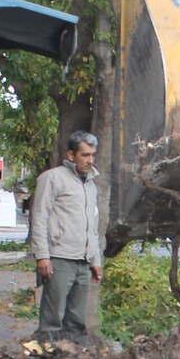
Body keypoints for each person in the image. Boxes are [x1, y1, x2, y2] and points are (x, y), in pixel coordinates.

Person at [30, 131, 102, 340]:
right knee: (52, 321)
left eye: (92, 155)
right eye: (85, 155)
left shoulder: (90, 185)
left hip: (83, 262)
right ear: (71, 155)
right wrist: (42, 256)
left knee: (77, 322)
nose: (90, 160)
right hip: (59, 259)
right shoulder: (52, 179)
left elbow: (93, 227)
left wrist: (95, 260)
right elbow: (39, 218)